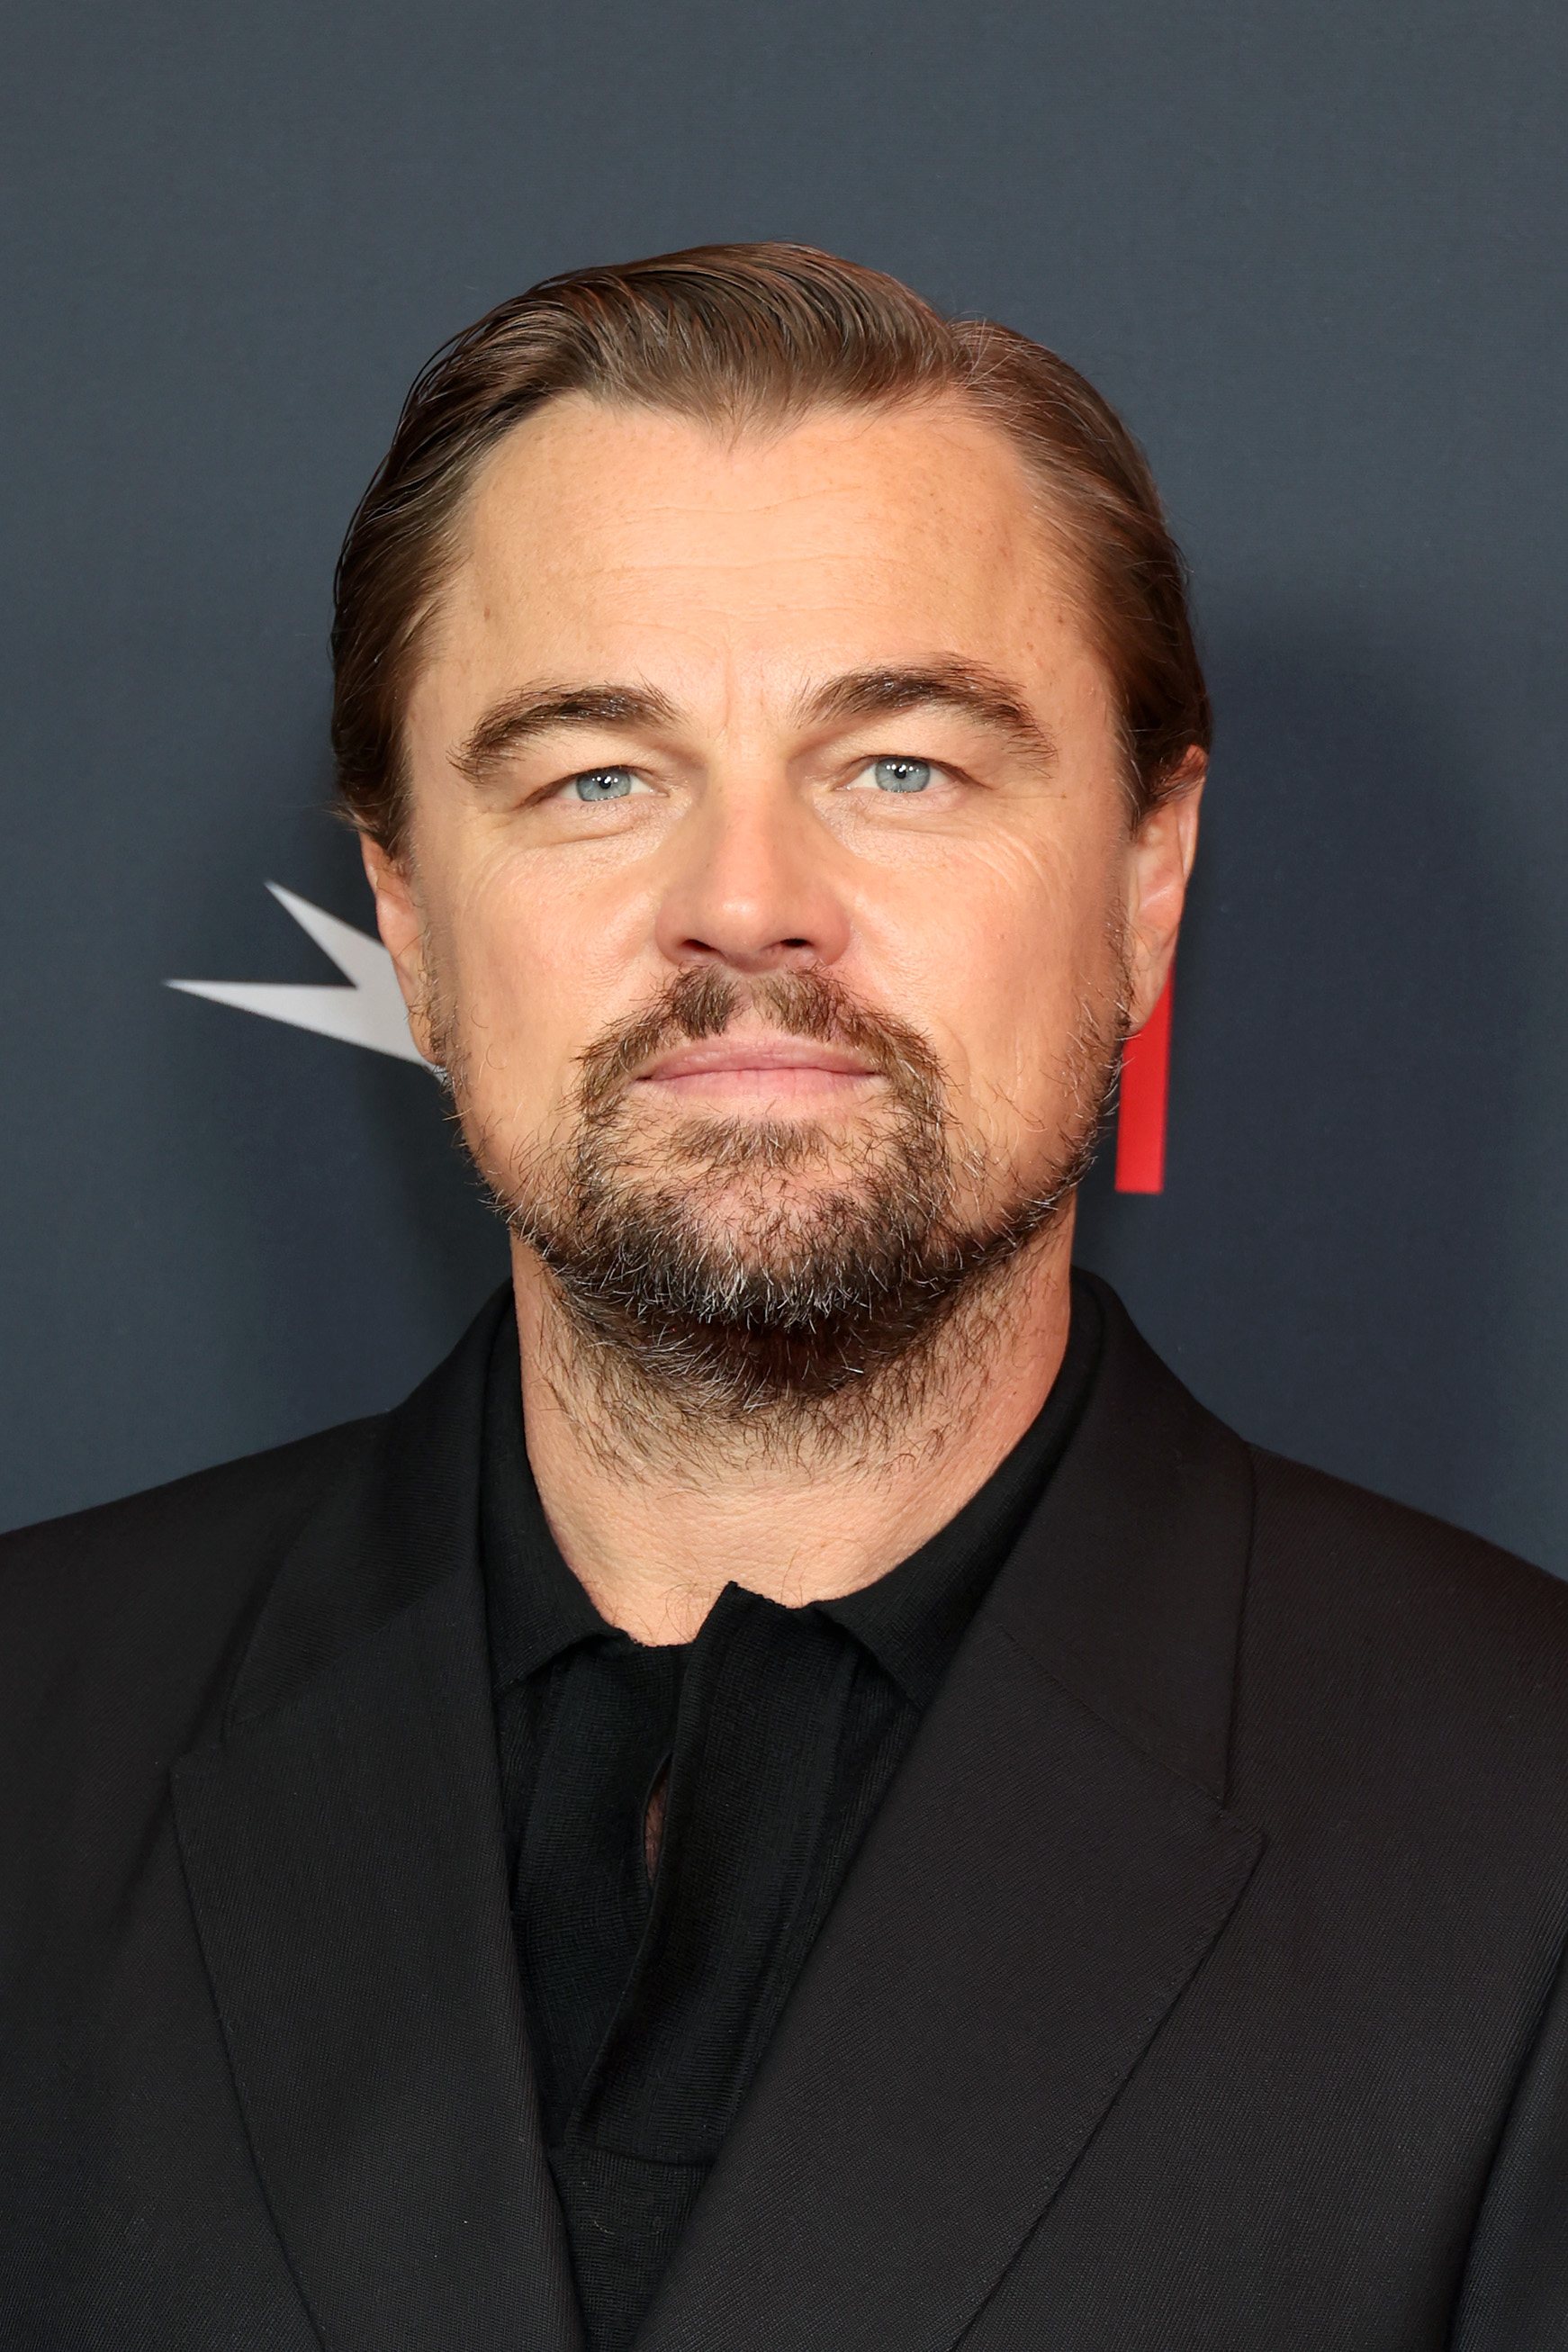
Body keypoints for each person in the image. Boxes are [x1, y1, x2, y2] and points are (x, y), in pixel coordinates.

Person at [3, 244, 1566, 2352]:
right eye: (594, 776)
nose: (748, 902)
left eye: (901, 764)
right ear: (401, 906)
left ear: (1147, 872)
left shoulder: (1524, 1825)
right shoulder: (34, 1733)